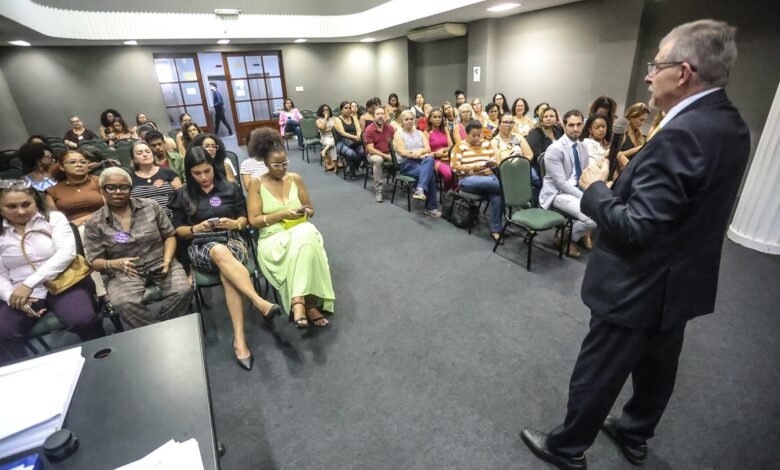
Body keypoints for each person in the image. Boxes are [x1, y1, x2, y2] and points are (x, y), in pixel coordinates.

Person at [521, 20, 750, 470]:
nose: (648, 75)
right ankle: (634, 431)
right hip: (681, 280)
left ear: (682, 73)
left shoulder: (683, 132)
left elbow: (637, 226)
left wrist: (594, 189)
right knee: (657, 367)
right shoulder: (731, 124)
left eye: (656, 64)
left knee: (599, 368)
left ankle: (567, 448)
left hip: (637, 282)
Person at [169, 147, 281, 371]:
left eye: (207, 171)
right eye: (197, 173)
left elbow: (245, 219)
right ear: (189, 173)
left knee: (226, 269)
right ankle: (258, 301)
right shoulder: (182, 194)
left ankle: (239, 340)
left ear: (214, 167)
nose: (203, 177)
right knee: (220, 253)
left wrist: (236, 223)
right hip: (200, 244)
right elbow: (177, 231)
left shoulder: (229, 188)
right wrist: (195, 228)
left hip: (231, 239)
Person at [0, 181, 104, 363]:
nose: (21, 211)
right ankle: (25, 373)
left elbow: (66, 254)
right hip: (18, 290)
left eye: (26, 204)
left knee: (83, 319)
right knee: (4, 333)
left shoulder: (53, 218)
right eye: (11, 206)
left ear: (35, 201)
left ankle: (102, 355)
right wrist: (11, 296)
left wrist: (29, 284)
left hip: (63, 281)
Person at [246, 128, 335, 328]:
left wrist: (306, 212)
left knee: (306, 235)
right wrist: (283, 214)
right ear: (266, 163)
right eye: (276, 165)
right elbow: (254, 220)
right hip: (272, 238)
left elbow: (310, 209)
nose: (281, 168)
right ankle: (309, 305)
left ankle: (298, 302)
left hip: (300, 230)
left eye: (285, 163)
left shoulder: (295, 178)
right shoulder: (256, 183)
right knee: (307, 236)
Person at [84, 168, 192, 329]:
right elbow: (95, 261)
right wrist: (114, 264)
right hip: (124, 271)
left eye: (124, 187)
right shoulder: (94, 222)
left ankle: (162, 326)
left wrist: (168, 260)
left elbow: (169, 235)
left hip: (160, 261)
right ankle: (157, 331)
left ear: (130, 189)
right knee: (124, 302)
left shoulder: (150, 206)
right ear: (102, 190)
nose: (118, 192)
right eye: (111, 187)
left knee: (183, 290)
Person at [538, 110, 595, 257]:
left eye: (578, 124)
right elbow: (560, 183)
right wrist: (585, 197)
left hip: (577, 189)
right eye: (571, 125)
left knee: (601, 207)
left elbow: (585, 174)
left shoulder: (582, 147)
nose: (575, 129)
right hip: (558, 193)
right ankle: (565, 238)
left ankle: (574, 235)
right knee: (593, 219)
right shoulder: (555, 149)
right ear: (564, 126)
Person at [450, 120, 502, 240]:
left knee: (497, 196)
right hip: (468, 179)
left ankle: (496, 229)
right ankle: (509, 190)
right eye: (474, 135)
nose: (478, 138)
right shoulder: (460, 146)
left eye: (480, 135)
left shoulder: (486, 144)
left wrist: (490, 166)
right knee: (499, 187)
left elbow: (493, 162)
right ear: (466, 134)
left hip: (489, 179)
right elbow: (454, 168)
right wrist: (476, 169)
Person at [393, 110, 442, 217]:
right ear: (402, 121)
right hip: (407, 164)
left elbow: (428, 148)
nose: (409, 121)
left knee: (429, 159)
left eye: (411, 119)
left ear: (414, 120)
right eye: (406, 119)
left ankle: (420, 189)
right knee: (431, 174)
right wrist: (416, 153)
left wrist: (419, 153)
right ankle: (430, 207)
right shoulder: (398, 134)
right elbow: (402, 152)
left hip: (421, 161)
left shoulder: (420, 133)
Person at [45, 150, 104, 227]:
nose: (79, 165)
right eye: (73, 162)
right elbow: (54, 221)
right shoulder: (52, 191)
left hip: (102, 225)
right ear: (62, 167)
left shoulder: (100, 181)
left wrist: (82, 220)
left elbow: (111, 209)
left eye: (83, 162)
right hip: (71, 231)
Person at [129, 141, 182, 217]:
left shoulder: (168, 172)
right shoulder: (130, 178)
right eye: (139, 153)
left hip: (171, 217)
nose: (145, 155)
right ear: (134, 159)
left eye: (148, 152)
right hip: (144, 221)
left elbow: (180, 196)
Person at [364, 106, 396, 203]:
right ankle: (378, 191)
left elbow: (395, 144)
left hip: (388, 153)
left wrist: (395, 155)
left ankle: (405, 183)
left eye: (382, 114)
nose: (380, 116)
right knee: (378, 160)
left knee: (403, 156)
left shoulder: (390, 128)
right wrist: (387, 156)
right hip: (374, 154)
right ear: (373, 116)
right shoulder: (369, 129)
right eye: (378, 114)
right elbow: (371, 149)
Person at [426, 108, 455, 193]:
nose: (438, 119)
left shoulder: (445, 129)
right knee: (448, 174)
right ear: (430, 119)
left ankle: (456, 192)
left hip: (448, 157)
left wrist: (443, 149)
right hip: (435, 159)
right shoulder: (427, 133)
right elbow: (427, 152)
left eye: (439, 117)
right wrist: (436, 154)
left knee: (459, 171)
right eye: (435, 117)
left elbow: (451, 146)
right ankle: (448, 193)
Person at [333, 100, 364, 177]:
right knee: (351, 154)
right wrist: (354, 137)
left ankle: (351, 167)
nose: (348, 109)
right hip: (341, 142)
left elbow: (358, 129)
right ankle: (351, 167)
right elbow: (342, 133)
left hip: (355, 141)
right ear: (341, 110)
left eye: (349, 108)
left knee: (363, 152)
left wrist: (359, 136)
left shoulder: (354, 117)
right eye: (345, 108)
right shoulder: (337, 119)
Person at [315, 104, 336, 172]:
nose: (326, 111)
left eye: (327, 110)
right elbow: (323, 128)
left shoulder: (334, 118)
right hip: (324, 138)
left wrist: (327, 130)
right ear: (321, 111)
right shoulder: (318, 120)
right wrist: (325, 118)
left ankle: (324, 151)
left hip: (334, 136)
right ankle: (334, 164)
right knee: (333, 141)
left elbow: (336, 129)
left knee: (333, 141)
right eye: (324, 110)